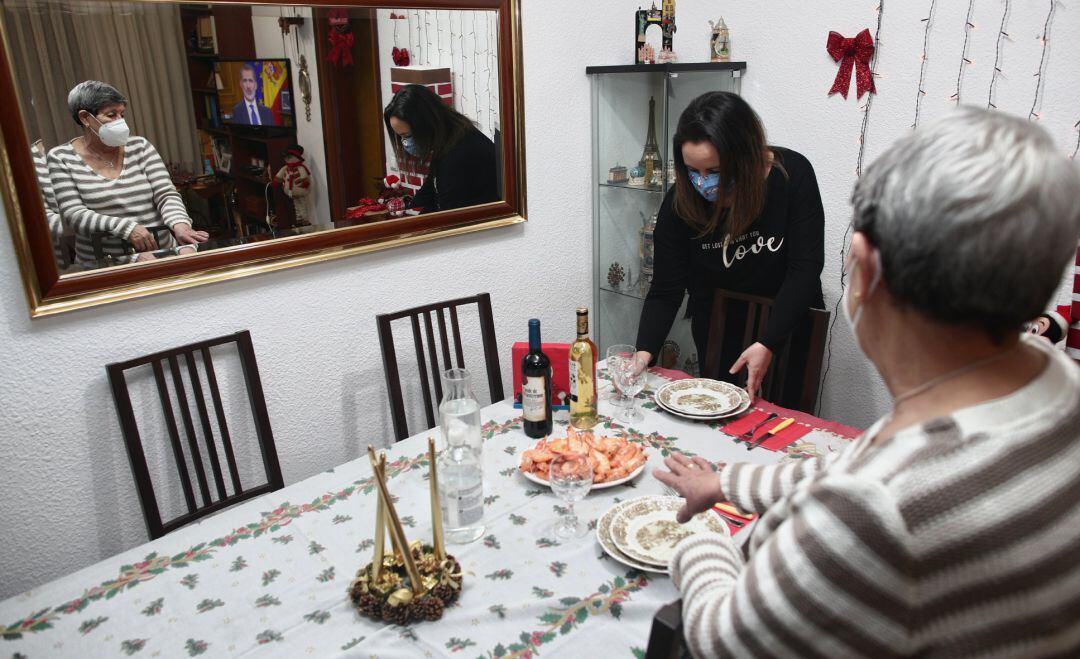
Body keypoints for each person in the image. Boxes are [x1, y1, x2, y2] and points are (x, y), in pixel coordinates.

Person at [654, 107, 1080, 657]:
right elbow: (857, 464)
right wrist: (726, 484)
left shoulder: (874, 511)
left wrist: (698, 542)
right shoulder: (1055, 375)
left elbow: (721, 637)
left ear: (865, 264)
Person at [635, 92, 824, 405]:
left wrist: (768, 341)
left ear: (745, 156)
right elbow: (665, 290)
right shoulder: (680, 203)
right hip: (718, 328)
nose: (703, 182)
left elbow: (805, 268)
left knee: (783, 430)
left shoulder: (791, 176)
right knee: (721, 424)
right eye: (693, 171)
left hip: (787, 322)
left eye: (715, 170)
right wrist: (643, 355)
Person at [47, 80, 208, 266]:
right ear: (85, 118)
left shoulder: (140, 146)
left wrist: (179, 224)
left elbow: (166, 193)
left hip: (161, 254)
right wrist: (127, 228)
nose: (120, 122)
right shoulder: (61, 157)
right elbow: (73, 215)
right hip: (104, 263)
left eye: (122, 114)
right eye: (111, 115)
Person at [383, 84, 498, 213]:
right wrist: (408, 205)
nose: (405, 143)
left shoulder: (459, 155)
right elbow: (432, 185)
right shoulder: (449, 138)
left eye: (408, 136)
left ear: (425, 124)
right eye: (401, 137)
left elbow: (448, 214)